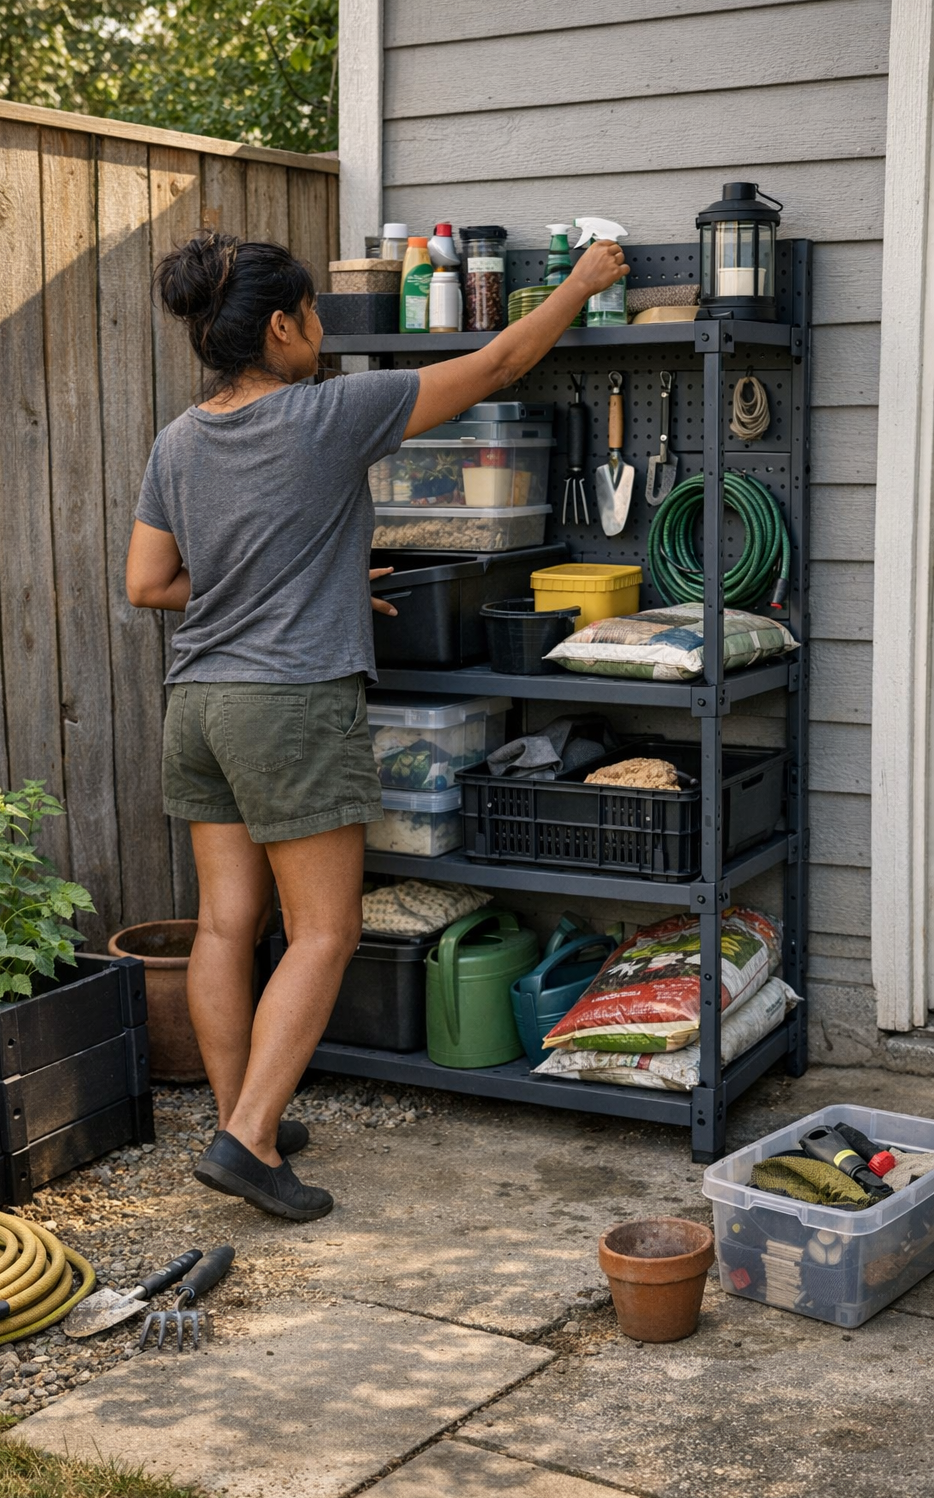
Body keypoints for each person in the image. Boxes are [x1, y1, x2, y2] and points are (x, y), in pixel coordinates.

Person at [126, 228, 629, 1221]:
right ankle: (247, 1139)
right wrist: (581, 278)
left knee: (229, 922)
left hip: (199, 704)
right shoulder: (332, 414)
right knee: (324, 930)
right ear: (279, 326)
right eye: (311, 314)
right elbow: (498, 360)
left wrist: (307, 579)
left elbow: (150, 585)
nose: (320, 332)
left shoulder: (176, 441)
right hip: (288, 701)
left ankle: (246, 1116)